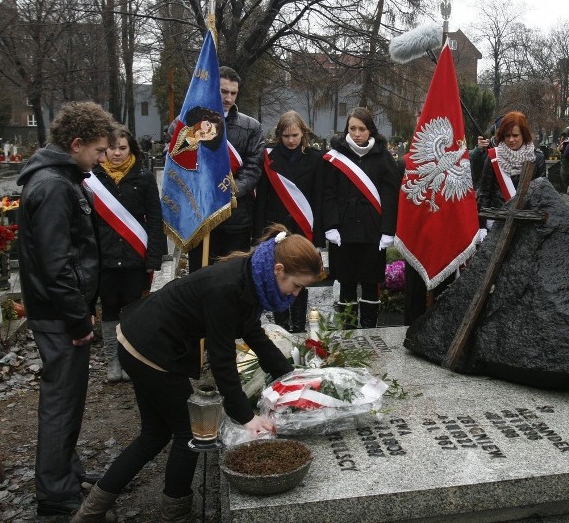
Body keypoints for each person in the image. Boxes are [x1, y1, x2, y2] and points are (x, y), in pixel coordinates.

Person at [72, 225, 321, 522]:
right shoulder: (229, 287)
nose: (296, 294)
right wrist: (245, 415)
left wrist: (289, 376)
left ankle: (92, 510)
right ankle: (174, 512)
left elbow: (253, 332)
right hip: (150, 348)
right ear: (279, 269)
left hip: (142, 337)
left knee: (154, 434)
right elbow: (221, 356)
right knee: (190, 433)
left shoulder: (253, 276)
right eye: (296, 286)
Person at [16, 101, 116, 517]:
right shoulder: (55, 186)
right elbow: (57, 264)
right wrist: (78, 319)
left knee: (69, 400)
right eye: (96, 151)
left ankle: (65, 472)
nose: (101, 159)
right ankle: (56, 494)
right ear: (75, 144)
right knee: (61, 402)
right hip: (59, 316)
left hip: (61, 312)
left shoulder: (62, 177)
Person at [90, 125, 167, 382]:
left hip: (135, 257)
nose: (117, 153)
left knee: (133, 311)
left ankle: (130, 361)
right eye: (111, 148)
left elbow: (155, 219)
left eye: (122, 148)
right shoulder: (93, 178)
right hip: (106, 258)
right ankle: (113, 363)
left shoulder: (143, 177)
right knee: (109, 307)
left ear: (130, 148)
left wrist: (154, 258)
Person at [322, 107, 400, 328]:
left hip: (372, 230)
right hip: (343, 230)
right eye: (352, 128)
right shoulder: (336, 156)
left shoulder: (383, 157)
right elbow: (328, 193)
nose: (357, 133)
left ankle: (368, 331)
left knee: (370, 282)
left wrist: (388, 229)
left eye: (362, 129)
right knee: (346, 282)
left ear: (370, 130)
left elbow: (390, 196)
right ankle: (347, 331)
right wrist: (331, 225)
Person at [253, 111, 325, 333]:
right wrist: (258, 234)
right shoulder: (269, 158)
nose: (291, 140)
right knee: (279, 274)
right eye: (286, 136)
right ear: (279, 135)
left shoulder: (315, 158)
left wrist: (319, 236)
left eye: (295, 135)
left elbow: (318, 198)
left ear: (303, 133)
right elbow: (261, 198)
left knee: (301, 274)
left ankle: (299, 324)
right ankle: (281, 325)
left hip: (303, 227)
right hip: (276, 227)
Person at [188, 66, 264, 272]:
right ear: (213, 89)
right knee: (200, 275)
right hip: (200, 214)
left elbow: (253, 169)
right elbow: (182, 161)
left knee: (231, 276)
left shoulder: (252, 127)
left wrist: (229, 191)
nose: (228, 98)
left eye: (233, 93)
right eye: (223, 91)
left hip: (235, 216)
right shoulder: (191, 122)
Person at [476, 110, 546, 238]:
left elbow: (540, 195)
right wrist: (481, 227)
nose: (511, 140)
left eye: (515, 135)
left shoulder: (537, 158)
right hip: (496, 221)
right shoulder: (493, 157)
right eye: (507, 136)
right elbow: (484, 193)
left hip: (526, 223)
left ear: (524, 135)